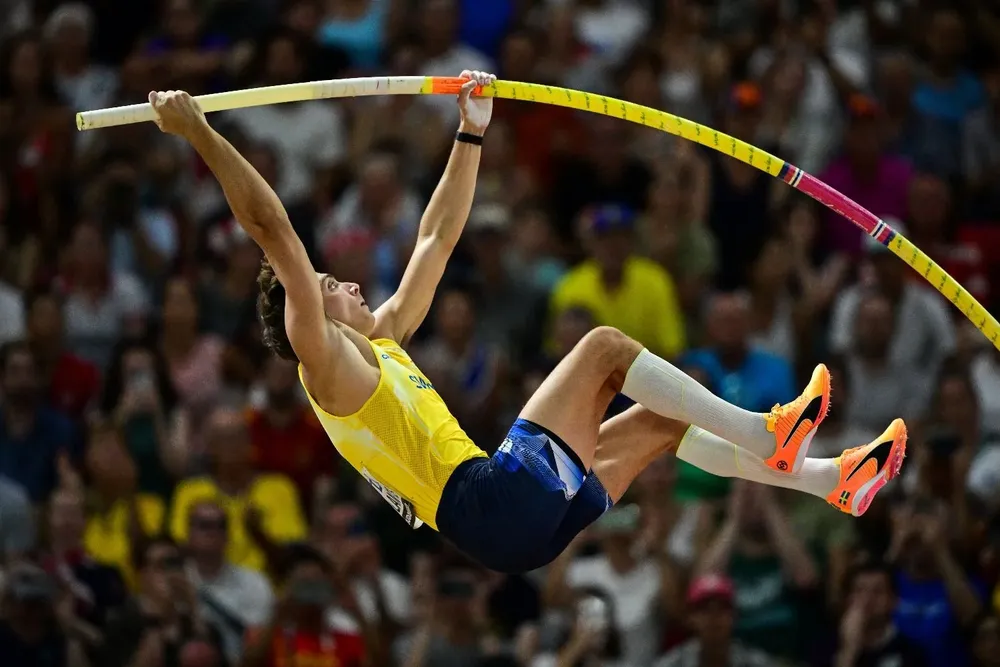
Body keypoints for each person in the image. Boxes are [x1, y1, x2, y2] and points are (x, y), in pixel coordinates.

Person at [147, 70, 907, 575]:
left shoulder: (377, 342)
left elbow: (436, 239)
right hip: (488, 497)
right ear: (301, 311)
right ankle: (765, 431)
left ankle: (828, 481)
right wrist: (200, 134)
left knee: (658, 422)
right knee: (605, 347)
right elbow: (272, 228)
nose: (338, 282)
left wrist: (470, 130)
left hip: (508, 530)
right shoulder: (324, 364)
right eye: (321, 285)